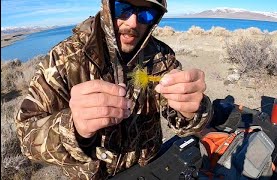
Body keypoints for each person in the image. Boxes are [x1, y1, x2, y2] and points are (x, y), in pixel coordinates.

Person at [15, 0, 212, 179]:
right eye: (123, 7)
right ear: (107, 6)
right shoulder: (63, 60)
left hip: (150, 169)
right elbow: (26, 138)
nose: (133, 22)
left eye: (146, 13)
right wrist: (71, 127)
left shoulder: (162, 57)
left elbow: (185, 122)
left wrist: (192, 110)